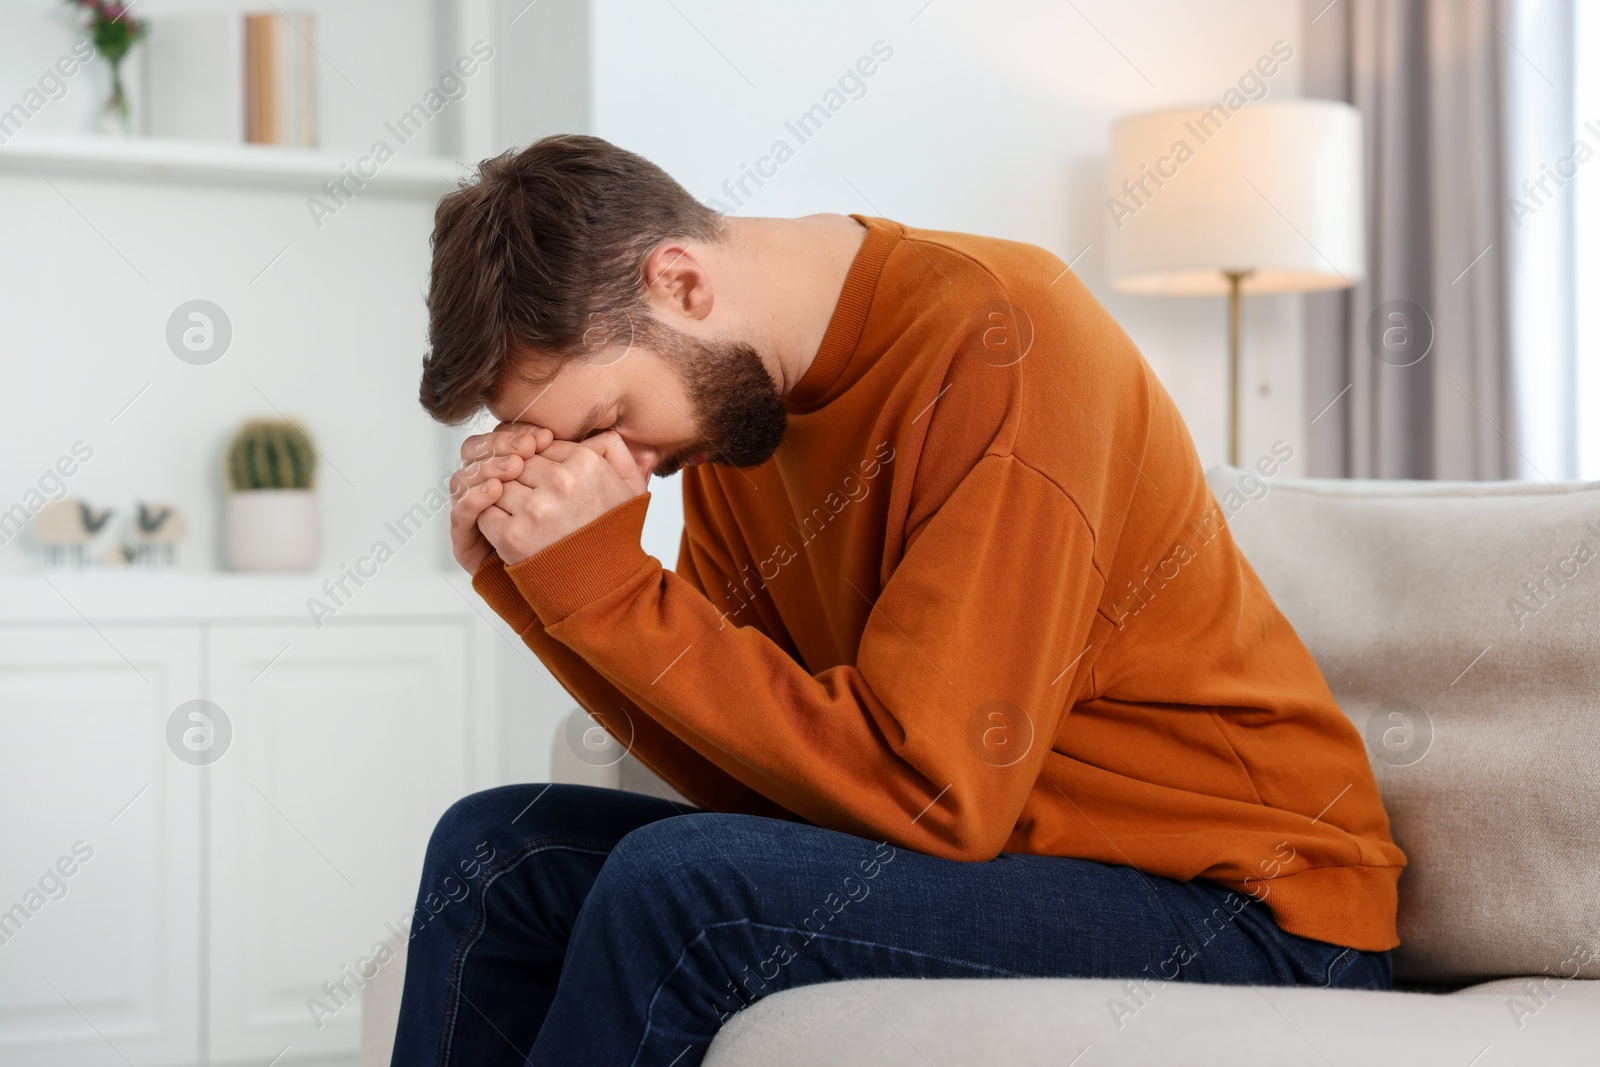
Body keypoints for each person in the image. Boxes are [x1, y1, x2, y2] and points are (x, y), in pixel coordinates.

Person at [389, 134, 1405, 1066]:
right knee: (493, 852)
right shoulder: (740, 416)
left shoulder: (1005, 342)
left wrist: (603, 589)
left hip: (1248, 909)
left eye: (610, 419)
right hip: (1023, 860)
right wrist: (538, 592)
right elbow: (760, 777)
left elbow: (939, 793)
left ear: (680, 281)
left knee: (680, 885)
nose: (629, 468)